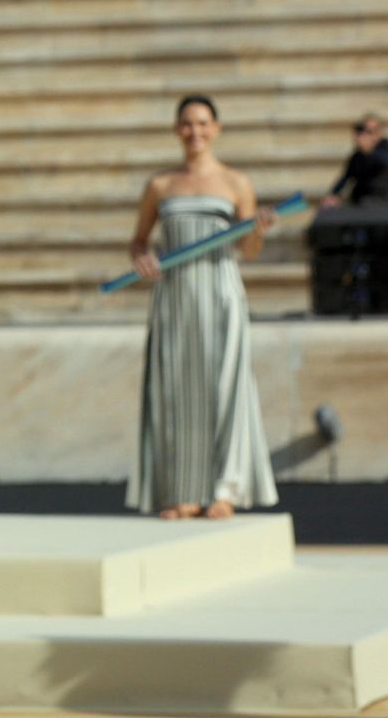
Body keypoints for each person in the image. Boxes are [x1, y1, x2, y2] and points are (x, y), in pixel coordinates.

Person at [125, 95, 279, 521]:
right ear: (177, 130)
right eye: (187, 124)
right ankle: (183, 492)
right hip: (174, 296)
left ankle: (223, 491)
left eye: (203, 123)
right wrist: (142, 259)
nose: (195, 131)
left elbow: (247, 248)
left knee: (224, 385)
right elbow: (139, 240)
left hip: (221, 292)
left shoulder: (236, 183)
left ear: (217, 128)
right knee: (177, 391)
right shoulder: (160, 185)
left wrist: (259, 230)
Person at [321, 112, 388, 208]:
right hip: (359, 201)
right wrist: (333, 195)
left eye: (370, 131)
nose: (364, 135)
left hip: (379, 201)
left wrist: (369, 151)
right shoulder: (357, 156)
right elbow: (345, 178)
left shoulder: (385, 147)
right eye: (363, 131)